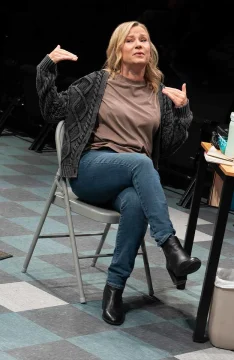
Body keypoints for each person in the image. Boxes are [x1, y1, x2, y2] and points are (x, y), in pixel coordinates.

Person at [36, 21, 201, 326]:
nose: (139, 44)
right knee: (141, 163)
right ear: (118, 50)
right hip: (92, 170)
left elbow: (168, 144)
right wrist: (46, 68)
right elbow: (51, 111)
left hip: (133, 178)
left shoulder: (158, 93)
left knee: (137, 204)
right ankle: (170, 247)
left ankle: (114, 289)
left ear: (151, 50)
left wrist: (182, 111)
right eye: (131, 41)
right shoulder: (97, 83)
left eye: (144, 40)